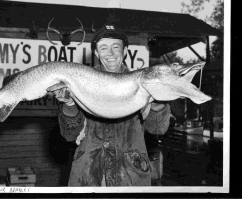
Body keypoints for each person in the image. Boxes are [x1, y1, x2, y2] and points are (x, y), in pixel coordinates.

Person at [54, 24, 171, 186]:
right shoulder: (81, 81)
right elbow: (69, 135)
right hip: (87, 177)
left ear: (124, 51)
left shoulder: (143, 81)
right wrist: (69, 105)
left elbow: (158, 129)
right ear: (96, 52)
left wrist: (158, 103)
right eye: (103, 48)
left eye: (116, 47)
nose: (110, 53)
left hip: (130, 179)